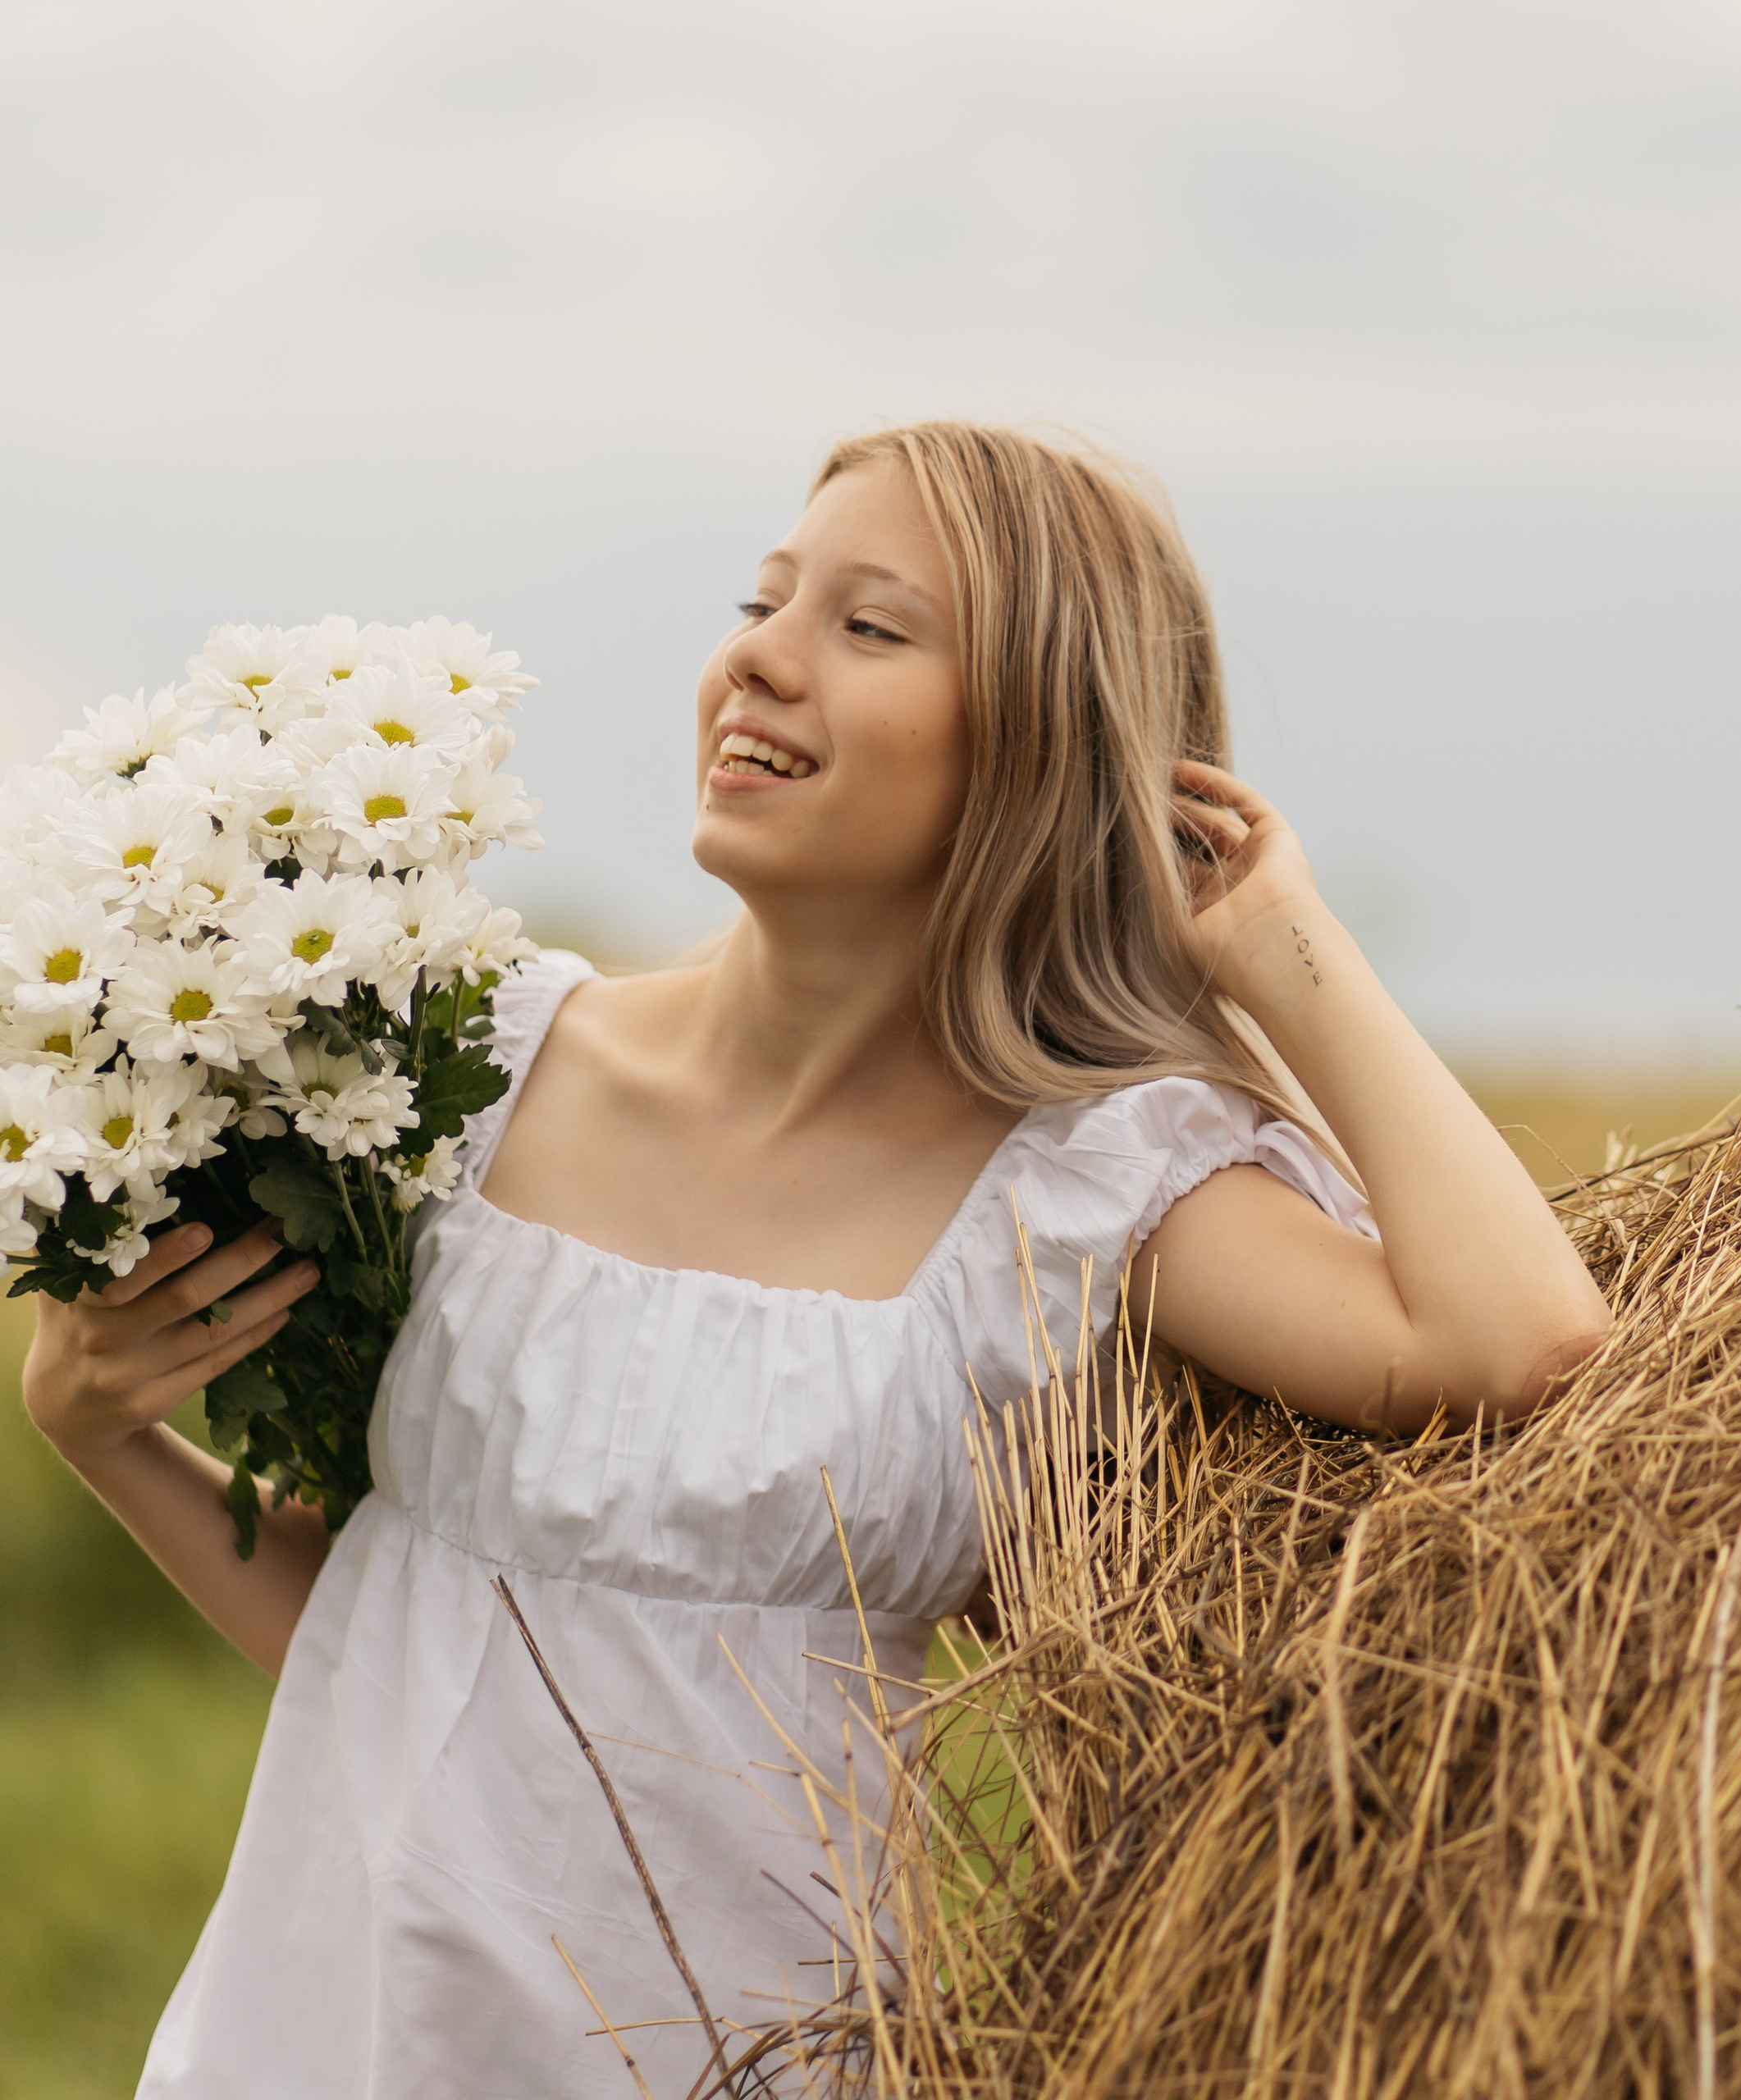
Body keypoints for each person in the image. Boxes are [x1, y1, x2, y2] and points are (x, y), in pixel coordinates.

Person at [23, 422, 1610, 2096]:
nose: (759, 659)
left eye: (867, 627)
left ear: (1034, 750)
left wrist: (1277, 948)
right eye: (764, 599)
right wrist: (104, 1428)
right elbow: (393, 1644)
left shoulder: (1077, 1197)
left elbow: (1516, 1340)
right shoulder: (464, 1068)